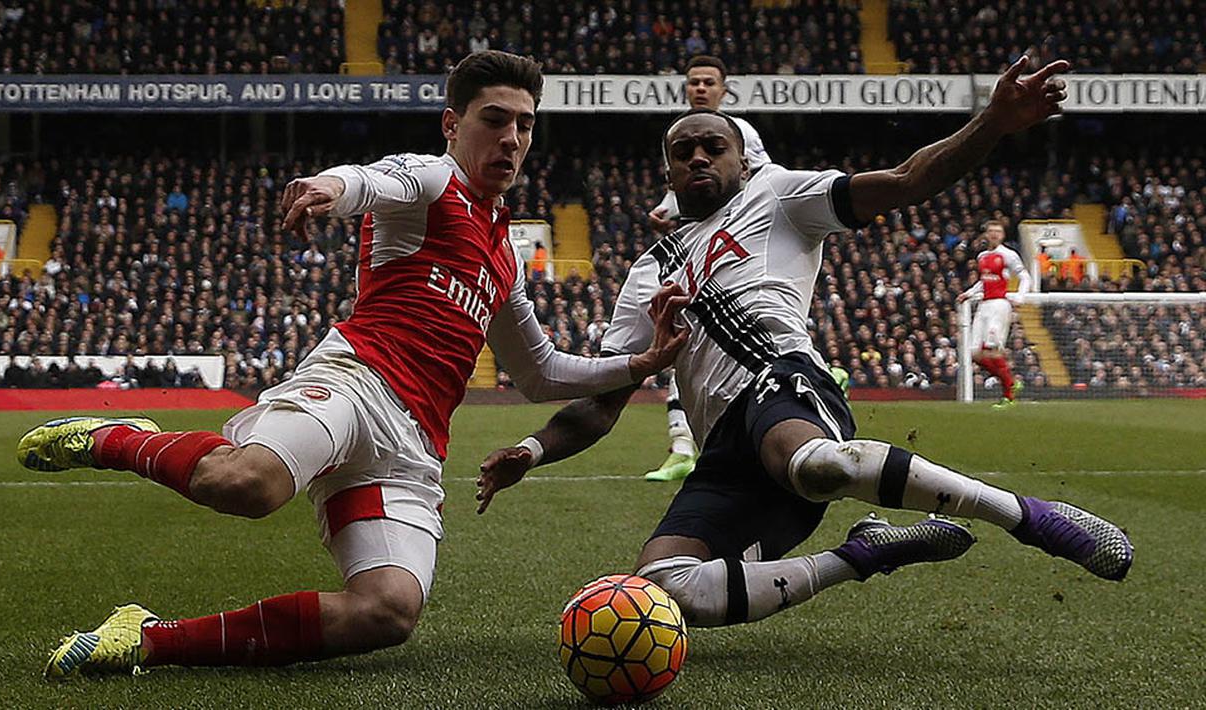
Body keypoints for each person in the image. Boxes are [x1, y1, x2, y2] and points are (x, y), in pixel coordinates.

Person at [17, 50, 688, 679]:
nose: (511, 137)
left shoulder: (504, 256)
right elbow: (368, 182)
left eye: (525, 124)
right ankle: (114, 438)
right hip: (356, 381)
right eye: (495, 120)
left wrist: (638, 363)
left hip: (413, 448)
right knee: (250, 484)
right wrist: (326, 188)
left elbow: (540, 373)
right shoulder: (431, 181)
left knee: (387, 611)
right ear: (453, 124)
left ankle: (146, 637)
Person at [477, 57, 1132, 635]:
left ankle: (1025, 517)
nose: (699, 157)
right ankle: (863, 553)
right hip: (725, 453)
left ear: (740, 160)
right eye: (684, 152)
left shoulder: (778, 194)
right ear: (667, 172)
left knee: (812, 464)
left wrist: (990, 121)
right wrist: (530, 452)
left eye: (712, 146)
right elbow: (599, 405)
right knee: (664, 592)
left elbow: (905, 181)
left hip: (782, 384)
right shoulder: (649, 271)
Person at [644, 55, 773, 483]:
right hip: (691, 247)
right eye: (694, 82)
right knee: (685, 341)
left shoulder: (742, 132)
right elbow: (679, 196)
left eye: (708, 82)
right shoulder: (678, 134)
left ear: (723, 89)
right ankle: (683, 446)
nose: (700, 88)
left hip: (735, 250)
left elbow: (765, 180)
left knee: (719, 342)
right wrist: (664, 215)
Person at [956, 221, 1032, 409]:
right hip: (984, 305)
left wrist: (1020, 297)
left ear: (1003, 235)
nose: (994, 235)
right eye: (991, 231)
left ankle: (1008, 396)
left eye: (998, 232)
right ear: (986, 234)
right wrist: (969, 293)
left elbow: (1025, 276)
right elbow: (984, 280)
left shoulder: (1008, 255)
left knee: (992, 349)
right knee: (975, 354)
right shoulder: (982, 256)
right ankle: (1010, 382)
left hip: (999, 305)